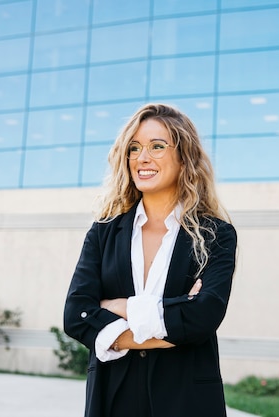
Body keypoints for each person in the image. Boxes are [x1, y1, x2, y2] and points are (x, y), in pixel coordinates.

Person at [63, 103, 237, 417]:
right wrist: (170, 330)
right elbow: (77, 315)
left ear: (184, 157)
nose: (143, 158)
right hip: (113, 399)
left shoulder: (217, 235)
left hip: (187, 401)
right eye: (134, 148)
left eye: (157, 146)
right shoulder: (103, 233)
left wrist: (118, 307)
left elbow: (204, 315)